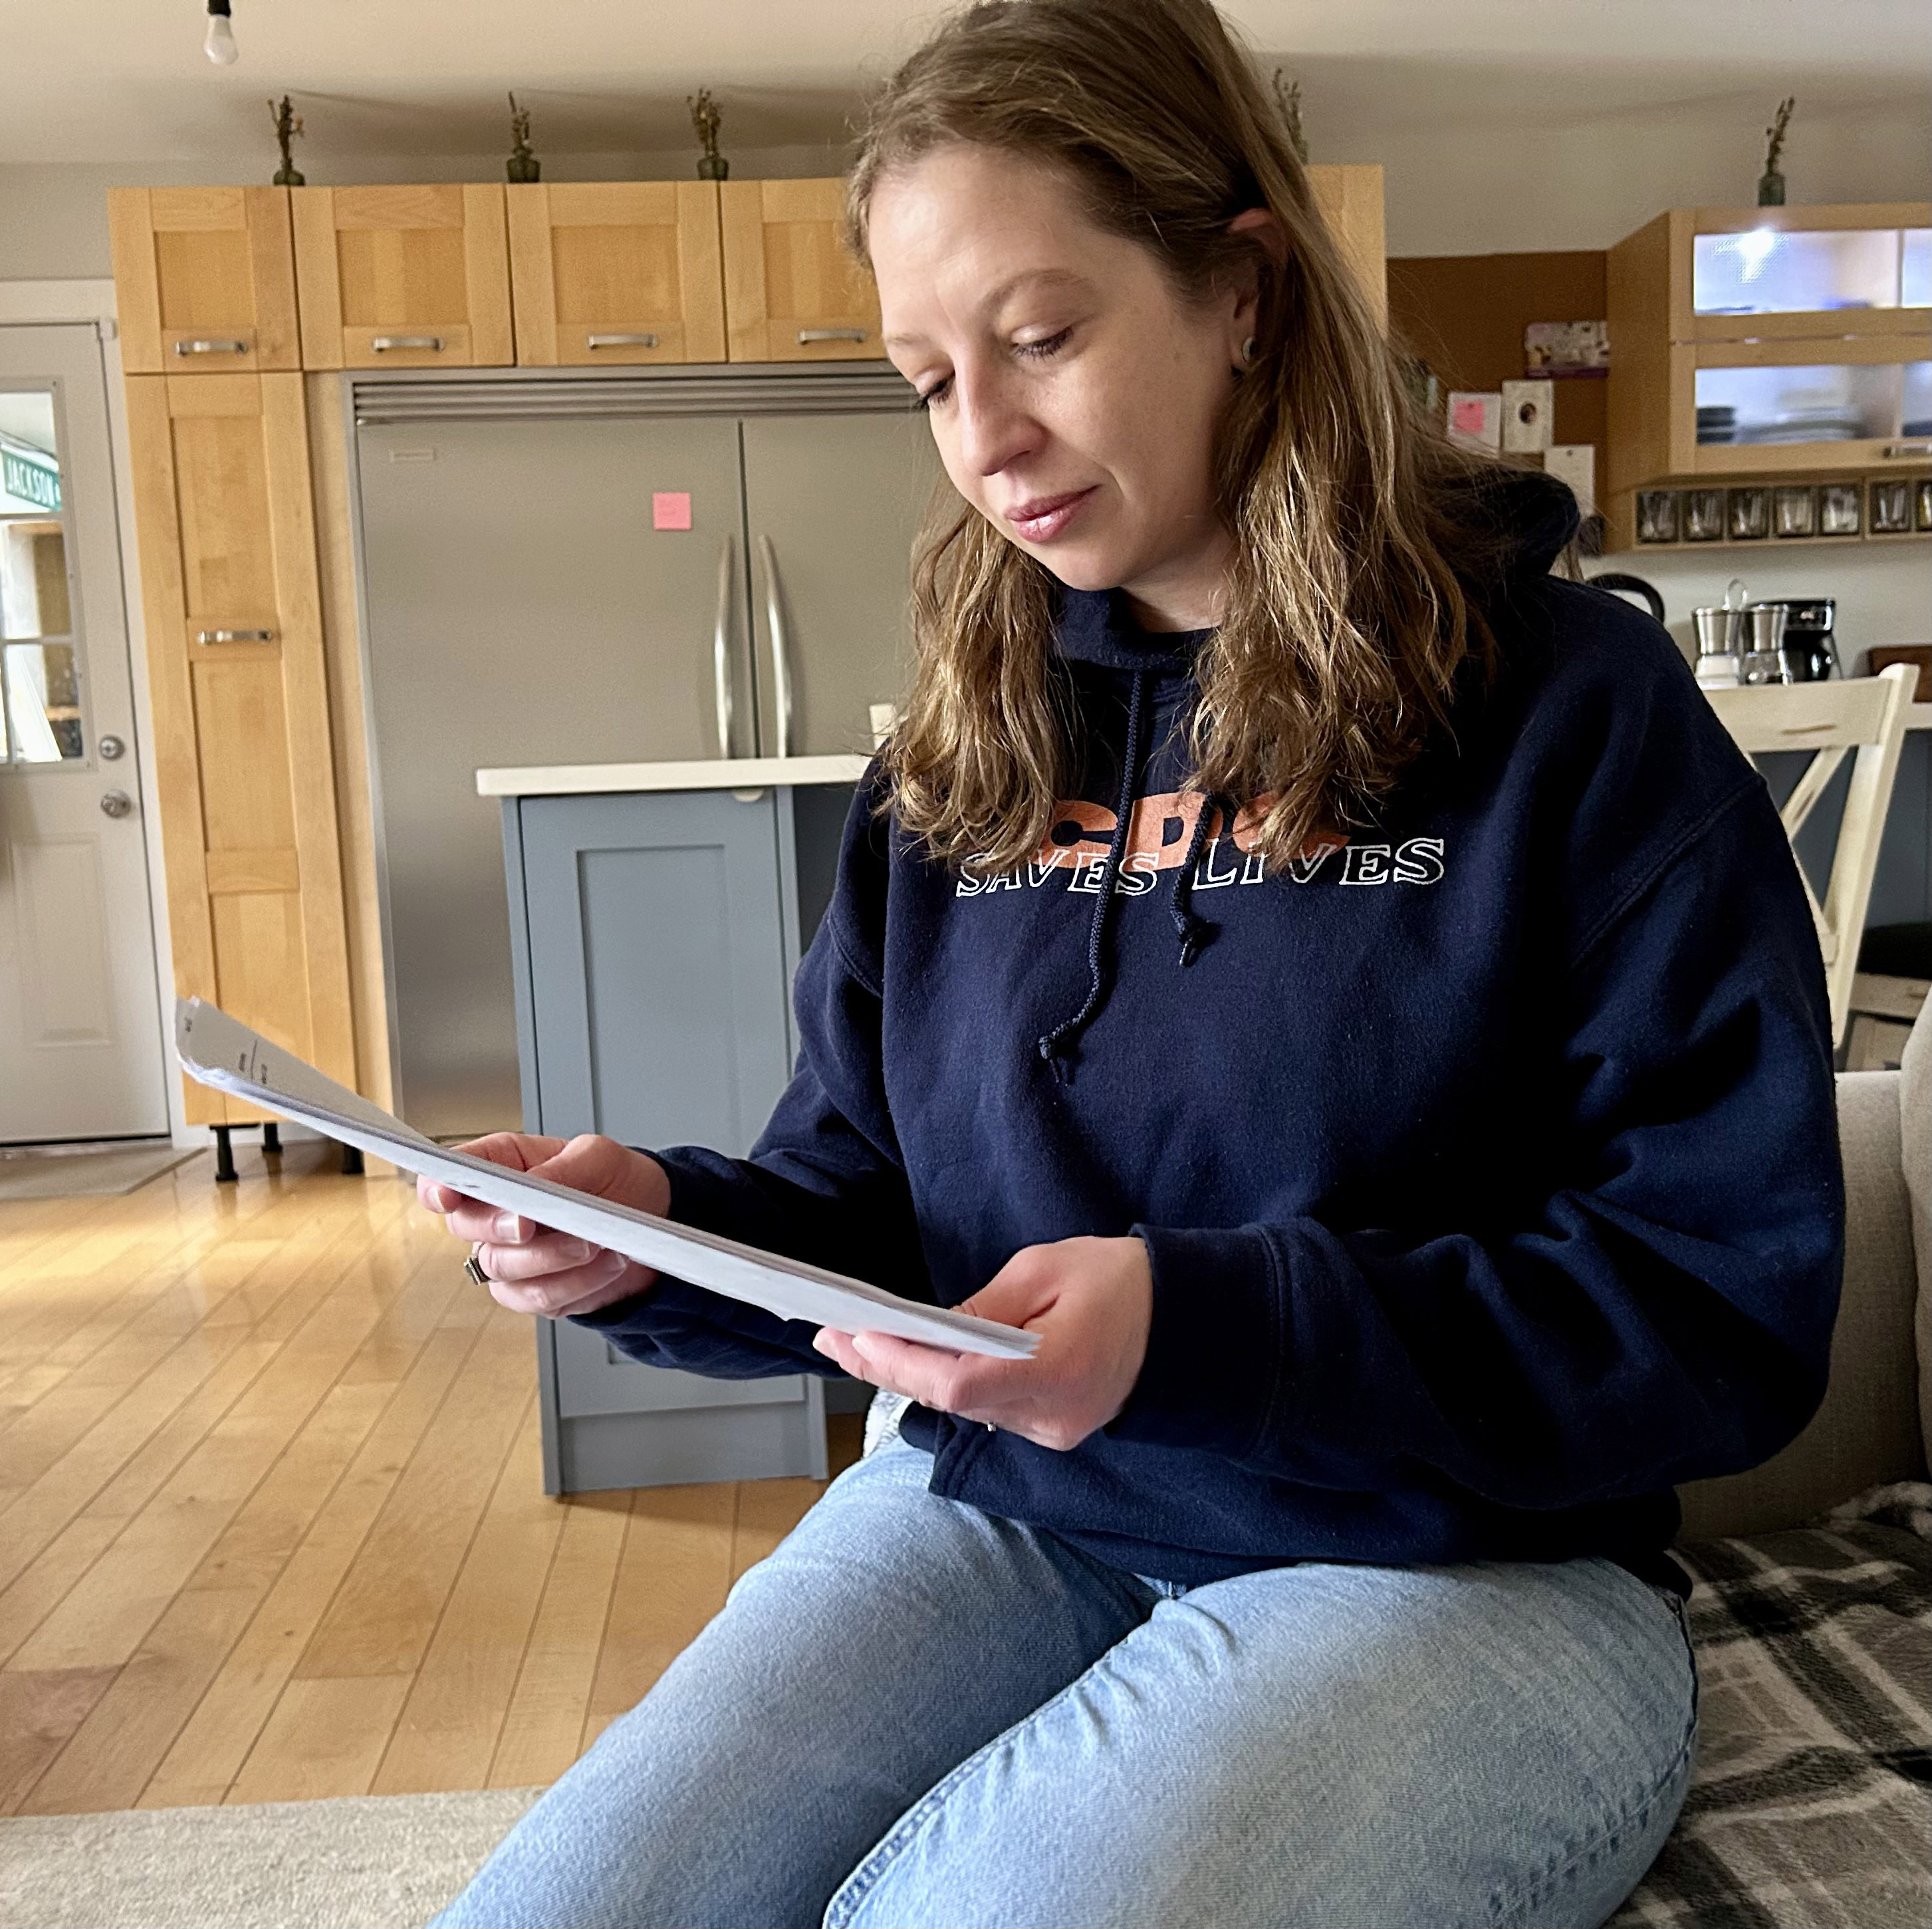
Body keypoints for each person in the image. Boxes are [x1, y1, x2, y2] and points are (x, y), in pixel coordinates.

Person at [426, 3, 1842, 1923]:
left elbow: (1715, 1316)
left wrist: (1206, 1327)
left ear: (1241, 291)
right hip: (1005, 1519)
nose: (983, 439)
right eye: (928, 377)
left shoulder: (1572, 713)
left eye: (1041, 336)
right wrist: (659, 1232)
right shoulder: (954, 760)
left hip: (1458, 1571)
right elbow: (873, 1214)